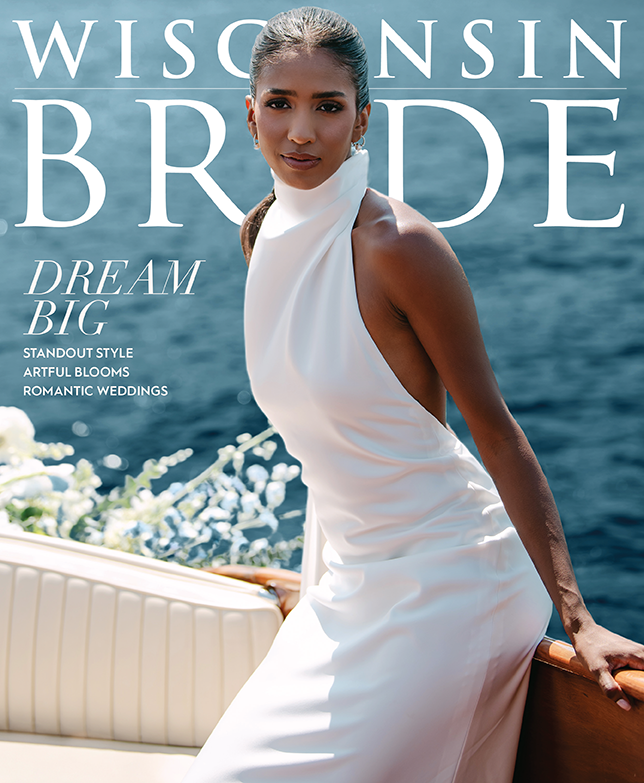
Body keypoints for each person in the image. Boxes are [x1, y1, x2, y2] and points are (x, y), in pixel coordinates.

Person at [183, 7, 644, 782]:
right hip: (353, 591)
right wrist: (320, 579)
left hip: (453, 584)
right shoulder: (266, 236)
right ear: (250, 113)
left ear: (362, 119)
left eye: (328, 107)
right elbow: (333, 458)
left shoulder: (399, 247)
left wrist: (580, 617)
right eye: (280, 102)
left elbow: (495, 432)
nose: (301, 130)